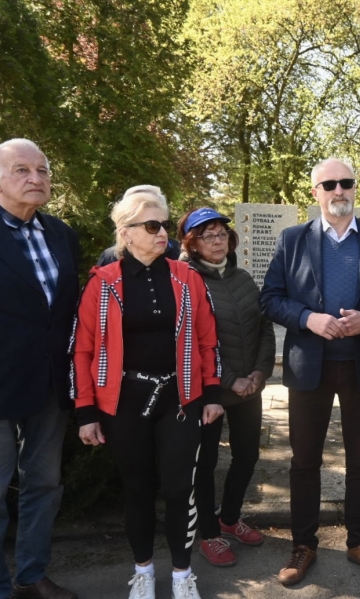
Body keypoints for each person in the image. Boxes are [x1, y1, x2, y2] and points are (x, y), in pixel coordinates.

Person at [71, 186, 223, 599]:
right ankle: (142, 571)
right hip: (122, 403)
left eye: (164, 225)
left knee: (178, 490)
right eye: (152, 226)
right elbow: (82, 349)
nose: (163, 234)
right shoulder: (102, 283)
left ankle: (182, 574)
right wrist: (86, 411)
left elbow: (208, 339)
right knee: (136, 491)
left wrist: (212, 392)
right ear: (126, 232)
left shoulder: (187, 277)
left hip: (180, 399)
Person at [259, 158, 360, 587]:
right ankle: (303, 545)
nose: (340, 190)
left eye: (346, 182)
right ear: (315, 192)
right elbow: (271, 298)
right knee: (304, 461)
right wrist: (308, 319)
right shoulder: (292, 239)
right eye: (330, 184)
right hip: (309, 367)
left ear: (355, 187)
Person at [0, 139, 80, 599]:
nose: (36, 178)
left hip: (51, 381)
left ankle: (31, 576)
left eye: (43, 170)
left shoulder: (62, 234)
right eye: (22, 170)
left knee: (45, 483)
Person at [178, 207, 275, 567]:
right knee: (205, 464)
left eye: (222, 234)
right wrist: (231, 378)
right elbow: (194, 338)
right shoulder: (186, 281)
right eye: (208, 236)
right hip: (210, 391)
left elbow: (264, 327)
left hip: (249, 388)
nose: (218, 241)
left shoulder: (243, 278)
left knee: (247, 455)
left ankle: (229, 519)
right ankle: (209, 534)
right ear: (192, 243)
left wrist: (260, 372)